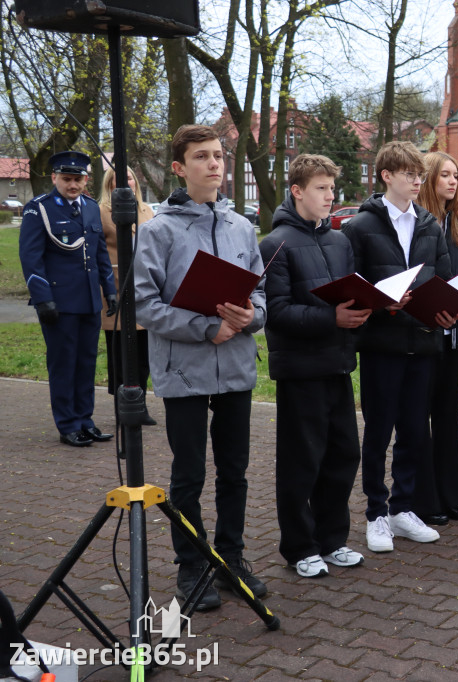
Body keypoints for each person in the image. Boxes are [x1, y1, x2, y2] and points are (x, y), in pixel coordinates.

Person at [134, 124, 267, 611]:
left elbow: (261, 294)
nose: (213, 164)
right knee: (189, 474)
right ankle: (192, 564)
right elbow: (144, 304)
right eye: (201, 157)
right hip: (183, 370)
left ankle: (230, 558)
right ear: (179, 167)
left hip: (235, 365)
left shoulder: (242, 227)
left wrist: (253, 317)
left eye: (218, 156)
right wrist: (204, 327)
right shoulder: (158, 230)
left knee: (234, 471)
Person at [342, 141, 458, 553]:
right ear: (386, 176)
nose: (417, 181)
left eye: (419, 175)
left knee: (413, 432)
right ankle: (376, 513)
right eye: (409, 174)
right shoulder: (359, 227)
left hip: (423, 342)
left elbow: (444, 279)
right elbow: (350, 289)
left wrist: (449, 311)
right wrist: (381, 304)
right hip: (382, 345)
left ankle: (402, 508)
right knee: (378, 433)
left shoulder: (429, 225)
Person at [259, 154, 370, 578]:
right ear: (297, 191)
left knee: (343, 455)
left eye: (332, 189)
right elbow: (277, 312)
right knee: (301, 461)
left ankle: (333, 540)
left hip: (338, 364)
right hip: (300, 370)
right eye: (321, 188)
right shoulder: (275, 244)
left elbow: (351, 295)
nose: (329, 196)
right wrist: (332, 318)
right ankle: (300, 547)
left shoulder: (340, 242)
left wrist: (367, 309)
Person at [19, 151, 116, 447]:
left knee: (86, 363)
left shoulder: (90, 207)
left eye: (78, 179)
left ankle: (85, 420)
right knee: (63, 364)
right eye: (66, 179)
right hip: (59, 302)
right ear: (54, 178)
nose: (73, 185)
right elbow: (31, 258)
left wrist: (109, 289)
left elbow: (99, 252)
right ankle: (68, 424)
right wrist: (42, 299)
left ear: (86, 180)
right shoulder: (39, 209)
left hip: (89, 300)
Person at [413, 151, 458, 525]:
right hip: (424, 334)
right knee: (421, 417)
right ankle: (426, 499)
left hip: (455, 336)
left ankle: (452, 494)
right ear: (428, 180)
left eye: (456, 175)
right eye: (445, 175)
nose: (453, 181)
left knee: (448, 417)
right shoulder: (418, 224)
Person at [98, 166, 157, 426]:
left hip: (143, 287)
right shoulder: (101, 211)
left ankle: (140, 404)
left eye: (129, 177)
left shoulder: (147, 211)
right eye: (118, 179)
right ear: (109, 185)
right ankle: (122, 406)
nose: (126, 182)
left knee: (143, 352)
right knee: (120, 351)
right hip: (116, 287)